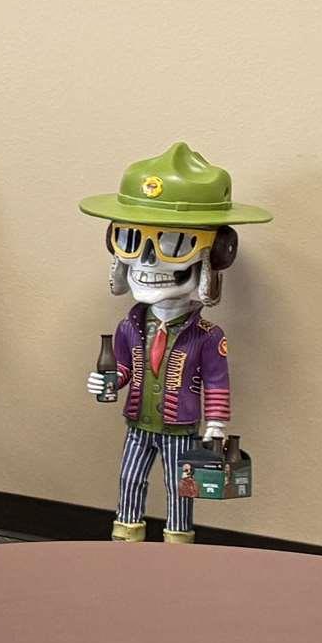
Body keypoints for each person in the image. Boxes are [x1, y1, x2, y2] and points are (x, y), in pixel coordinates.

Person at [79, 143, 269, 542]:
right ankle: (124, 541)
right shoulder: (130, 326)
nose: (149, 264)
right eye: (132, 241)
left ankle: (177, 552)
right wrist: (109, 381)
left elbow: (217, 381)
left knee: (179, 492)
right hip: (138, 426)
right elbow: (126, 368)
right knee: (129, 481)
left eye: (173, 246)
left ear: (213, 255)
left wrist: (216, 422)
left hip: (180, 431)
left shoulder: (207, 337)